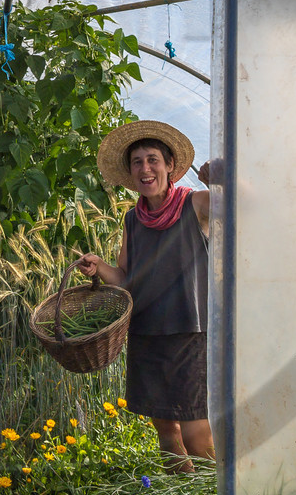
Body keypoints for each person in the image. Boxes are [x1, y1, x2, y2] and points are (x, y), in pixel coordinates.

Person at [70, 120, 213, 472]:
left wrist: (219, 183)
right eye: (137, 162)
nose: (145, 169)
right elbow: (125, 279)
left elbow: (250, 208)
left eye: (153, 160)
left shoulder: (196, 204)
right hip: (147, 334)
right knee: (166, 430)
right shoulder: (133, 219)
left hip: (190, 333)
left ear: (170, 166)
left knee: (196, 433)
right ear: (131, 173)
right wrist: (98, 266)